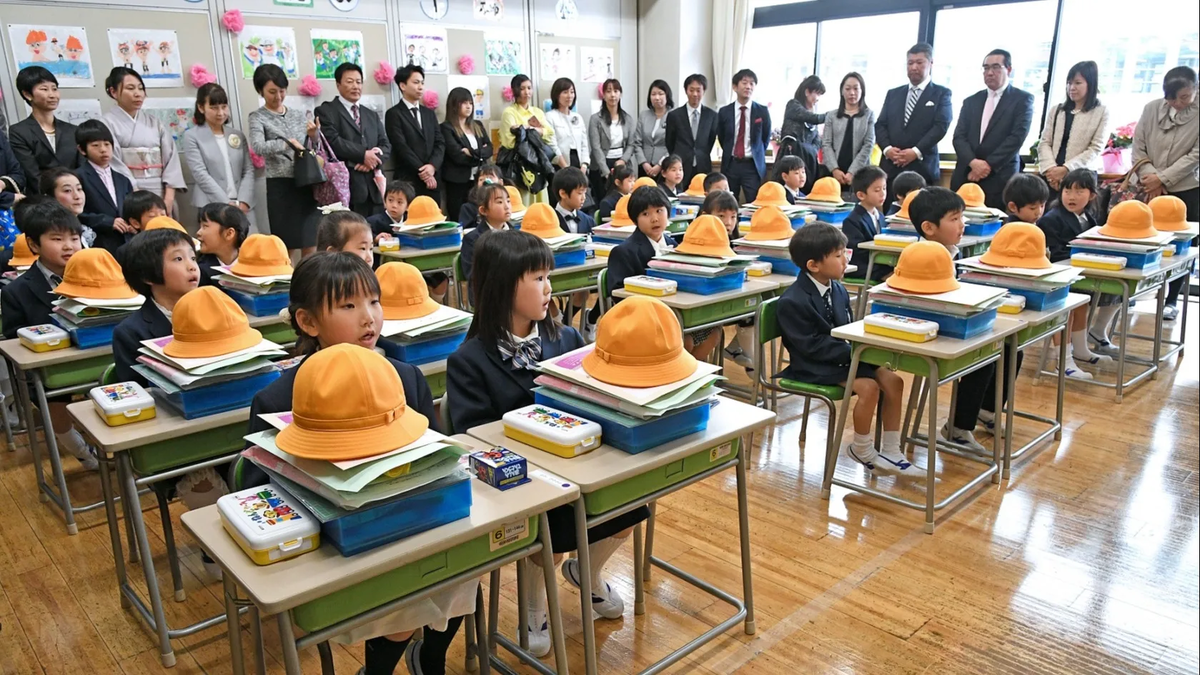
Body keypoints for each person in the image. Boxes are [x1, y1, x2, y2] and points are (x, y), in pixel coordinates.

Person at [242, 252, 456, 675]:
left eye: (374, 302)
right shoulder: (276, 401)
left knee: (464, 564)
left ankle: (429, 656)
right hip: (337, 546)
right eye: (348, 305)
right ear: (307, 322)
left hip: (409, 521)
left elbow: (437, 459)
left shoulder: (405, 377)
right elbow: (259, 497)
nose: (368, 318)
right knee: (410, 583)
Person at [446, 229, 645, 657]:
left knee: (633, 503)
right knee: (550, 529)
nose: (548, 288)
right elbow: (473, 439)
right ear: (502, 285)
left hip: (577, 466)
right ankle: (534, 606)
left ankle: (587, 574)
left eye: (548, 276)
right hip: (521, 483)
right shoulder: (469, 361)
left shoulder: (565, 338)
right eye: (536, 278)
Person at [777, 222, 916, 475]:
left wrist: (865, 347)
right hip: (812, 365)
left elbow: (847, 328)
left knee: (894, 381)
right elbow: (810, 347)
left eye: (845, 253)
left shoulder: (838, 288)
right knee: (869, 386)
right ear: (813, 265)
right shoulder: (792, 301)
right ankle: (861, 448)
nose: (845, 261)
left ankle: (893, 450)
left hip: (843, 356)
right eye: (839, 255)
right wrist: (857, 351)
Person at [2, 199, 96, 470]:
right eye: (57, 239)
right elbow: (14, 345)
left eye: (74, 238)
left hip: (94, 356)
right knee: (53, 395)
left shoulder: (96, 277)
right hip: (51, 370)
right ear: (33, 244)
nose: (69, 246)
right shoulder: (16, 291)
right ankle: (80, 450)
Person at [906, 187, 989, 452]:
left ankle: (982, 410)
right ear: (929, 227)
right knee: (985, 356)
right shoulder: (922, 256)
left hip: (949, 321)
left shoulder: (951, 250)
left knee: (1009, 349)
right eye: (954, 219)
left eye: (962, 217)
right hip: (929, 329)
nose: (962, 224)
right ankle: (958, 428)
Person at [1131, 65, 1198, 322]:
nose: (1178, 103)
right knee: (1146, 241)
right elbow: (1138, 146)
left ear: (1195, 89)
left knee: (1182, 247)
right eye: (1172, 98)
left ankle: (1172, 300)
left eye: (1184, 97)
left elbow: (1196, 155)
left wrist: (1164, 178)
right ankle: (1139, 291)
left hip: (1187, 188)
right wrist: (1152, 178)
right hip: (1151, 187)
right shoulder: (1151, 108)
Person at [1036, 169, 1114, 380]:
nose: (1071, 196)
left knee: (1083, 303)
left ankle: (1081, 350)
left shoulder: (1089, 216)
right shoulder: (1051, 219)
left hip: (1077, 273)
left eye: (1079, 191)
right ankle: (1064, 362)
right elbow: (1054, 254)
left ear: (1092, 195)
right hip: (1058, 275)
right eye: (1067, 190)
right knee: (1069, 307)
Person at [248, 64, 320, 259]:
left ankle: (309, 284)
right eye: (272, 92)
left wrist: (314, 137)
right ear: (260, 90)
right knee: (285, 245)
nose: (278, 97)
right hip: (280, 184)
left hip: (305, 181)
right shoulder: (257, 117)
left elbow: (312, 149)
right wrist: (287, 144)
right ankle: (289, 285)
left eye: (281, 91)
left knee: (310, 241)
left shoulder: (298, 114)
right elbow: (258, 147)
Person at [112, 228, 199, 386]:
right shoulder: (130, 333)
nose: (192, 266)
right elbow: (138, 390)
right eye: (179, 259)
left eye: (193, 258)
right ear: (147, 275)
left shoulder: (212, 314)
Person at [950, 49, 1035, 209]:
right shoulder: (971, 101)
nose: (989, 73)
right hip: (967, 173)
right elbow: (959, 137)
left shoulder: (1022, 100)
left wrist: (987, 165)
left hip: (1000, 174)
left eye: (996, 67)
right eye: (986, 68)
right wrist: (973, 162)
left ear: (1008, 70)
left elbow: (1017, 137)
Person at [101, 67, 186, 214]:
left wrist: (169, 197)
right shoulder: (106, 123)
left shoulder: (155, 122)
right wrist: (136, 193)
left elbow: (171, 159)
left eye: (141, 88)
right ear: (113, 92)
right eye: (130, 88)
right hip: (128, 193)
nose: (138, 94)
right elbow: (113, 163)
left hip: (161, 192)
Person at [875, 43, 953, 203]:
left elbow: (941, 126)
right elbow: (880, 125)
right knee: (893, 217)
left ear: (930, 64)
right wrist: (888, 149)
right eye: (910, 63)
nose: (914, 67)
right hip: (892, 168)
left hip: (922, 168)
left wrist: (915, 151)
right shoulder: (894, 94)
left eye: (919, 62)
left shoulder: (941, 93)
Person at [315, 63, 392, 218]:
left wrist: (373, 159)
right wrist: (363, 155)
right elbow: (333, 142)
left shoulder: (371, 114)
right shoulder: (326, 111)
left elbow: (386, 145)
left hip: (375, 188)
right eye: (350, 82)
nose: (355, 86)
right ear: (338, 84)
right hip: (346, 189)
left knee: (376, 235)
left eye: (358, 82)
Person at [182, 83, 256, 226]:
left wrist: (244, 201)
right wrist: (226, 204)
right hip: (212, 205)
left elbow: (248, 170)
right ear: (201, 107)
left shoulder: (237, 135)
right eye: (214, 107)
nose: (221, 113)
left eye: (224, 106)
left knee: (251, 245)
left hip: (243, 207)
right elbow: (200, 174)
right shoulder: (192, 136)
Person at [1037, 61, 1109, 199]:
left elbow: (1095, 148)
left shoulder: (1102, 111)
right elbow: (1045, 142)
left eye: (1077, 83)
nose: (1072, 87)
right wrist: (1051, 170)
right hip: (1051, 177)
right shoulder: (1057, 110)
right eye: (1069, 83)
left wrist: (1065, 170)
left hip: (1082, 178)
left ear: (1090, 84)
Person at [10, 66, 80, 194]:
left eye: (54, 89)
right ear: (27, 94)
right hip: (42, 202)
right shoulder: (19, 132)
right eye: (44, 89)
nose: (52, 95)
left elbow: (82, 171)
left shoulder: (73, 131)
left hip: (76, 200)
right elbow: (32, 175)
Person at [386, 65, 445, 202]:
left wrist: (432, 167)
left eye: (422, 83)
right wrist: (423, 172)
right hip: (409, 180)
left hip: (433, 180)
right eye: (416, 82)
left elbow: (440, 142)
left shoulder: (429, 113)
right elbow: (401, 147)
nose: (420, 87)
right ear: (403, 86)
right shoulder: (394, 114)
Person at [605, 186, 676, 299]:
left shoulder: (675, 246)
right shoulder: (623, 253)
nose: (654, 219)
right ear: (635, 220)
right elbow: (618, 294)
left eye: (659, 211)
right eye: (646, 214)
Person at [75, 119, 134, 254]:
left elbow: (131, 207)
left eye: (107, 144)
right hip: (98, 241)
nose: (103, 150)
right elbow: (75, 212)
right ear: (82, 150)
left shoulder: (122, 179)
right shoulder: (77, 177)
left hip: (126, 241)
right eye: (95, 145)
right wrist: (107, 221)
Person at [500, 74, 558, 204]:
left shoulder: (537, 112)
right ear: (515, 90)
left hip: (538, 163)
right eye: (522, 88)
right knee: (523, 202)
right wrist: (535, 132)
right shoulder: (509, 112)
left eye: (529, 88)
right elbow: (509, 142)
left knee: (541, 202)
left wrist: (525, 129)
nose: (527, 92)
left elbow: (549, 132)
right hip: (520, 165)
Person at [440, 87, 494, 222]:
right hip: (458, 182)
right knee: (460, 218)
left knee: (481, 216)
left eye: (470, 103)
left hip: (479, 179)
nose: (468, 106)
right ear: (454, 105)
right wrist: (480, 155)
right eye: (464, 103)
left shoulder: (477, 125)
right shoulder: (446, 128)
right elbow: (457, 156)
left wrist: (471, 153)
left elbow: (490, 149)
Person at [717, 69, 771, 202]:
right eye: (744, 82)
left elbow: (765, 137)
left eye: (752, 84)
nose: (748, 86)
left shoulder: (762, 111)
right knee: (728, 202)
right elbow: (723, 137)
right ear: (735, 87)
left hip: (752, 165)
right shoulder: (724, 111)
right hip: (731, 164)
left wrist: (757, 152)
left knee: (754, 202)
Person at [821, 73, 875, 199]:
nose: (852, 93)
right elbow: (826, 143)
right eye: (848, 88)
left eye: (856, 88)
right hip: (834, 173)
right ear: (842, 91)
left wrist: (852, 172)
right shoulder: (832, 116)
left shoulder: (868, 115)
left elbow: (868, 145)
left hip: (860, 173)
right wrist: (834, 169)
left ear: (862, 91)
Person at [665, 74, 717, 185]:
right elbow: (669, 141)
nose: (695, 94)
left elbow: (710, 140)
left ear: (704, 91)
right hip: (681, 165)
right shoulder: (674, 115)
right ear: (686, 91)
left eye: (698, 90)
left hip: (702, 164)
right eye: (691, 90)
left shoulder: (712, 115)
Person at [841, 166, 890, 282]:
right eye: (877, 190)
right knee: (895, 274)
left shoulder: (880, 216)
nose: (882, 194)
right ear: (861, 195)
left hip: (878, 263)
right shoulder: (852, 220)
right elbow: (857, 252)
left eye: (884, 188)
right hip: (862, 266)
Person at [588, 78, 636, 198]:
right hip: (601, 164)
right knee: (603, 200)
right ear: (603, 95)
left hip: (621, 164)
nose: (612, 95)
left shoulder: (628, 119)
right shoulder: (595, 119)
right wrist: (606, 172)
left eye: (616, 91)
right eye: (608, 91)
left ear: (620, 94)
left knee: (624, 199)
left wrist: (623, 160)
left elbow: (631, 144)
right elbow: (596, 147)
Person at [461, 183, 511, 295]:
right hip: (487, 294)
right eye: (499, 202)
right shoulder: (473, 239)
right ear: (483, 210)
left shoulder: (516, 235)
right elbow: (473, 275)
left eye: (508, 201)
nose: (507, 206)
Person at [779, 75, 826, 193]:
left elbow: (817, 141)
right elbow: (813, 118)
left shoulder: (812, 113)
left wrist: (810, 151)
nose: (818, 98)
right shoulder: (793, 105)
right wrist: (834, 114)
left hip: (808, 162)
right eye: (817, 93)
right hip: (792, 158)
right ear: (807, 92)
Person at [544, 77, 590, 176]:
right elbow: (552, 146)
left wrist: (584, 165)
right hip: (560, 164)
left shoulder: (577, 117)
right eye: (565, 92)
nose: (569, 96)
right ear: (556, 95)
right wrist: (566, 168)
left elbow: (584, 144)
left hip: (578, 163)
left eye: (572, 92)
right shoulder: (550, 116)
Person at [196, 202, 249, 283]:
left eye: (205, 226)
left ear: (229, 233)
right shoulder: (199, 270)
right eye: (200, 226)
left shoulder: (253, 263)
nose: (198, 233)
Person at [633, 80, 673, 179]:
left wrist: (660, 165)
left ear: (667, 96)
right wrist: (644, 163)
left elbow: (673, 145)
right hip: (645, 166)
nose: (657, 97)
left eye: (661, 94)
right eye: (653, 94)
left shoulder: (673, 116)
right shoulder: (644, 115)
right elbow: (637, 142)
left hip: (665, 167)